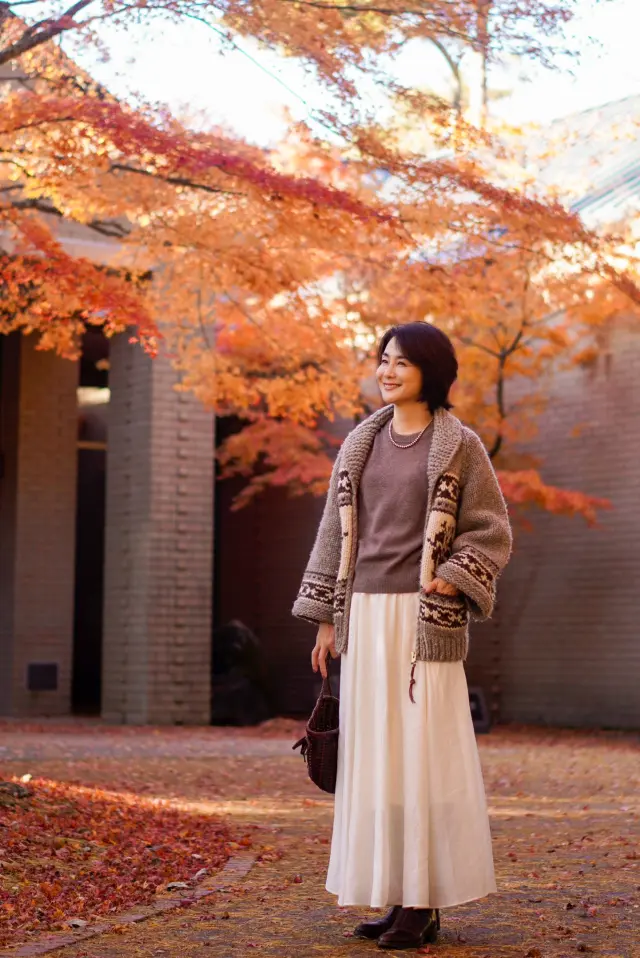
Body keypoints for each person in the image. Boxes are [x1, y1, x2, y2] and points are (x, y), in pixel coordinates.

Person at [292, 321, 512, 950]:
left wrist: (453, 575)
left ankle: (424, 901)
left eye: (402, 363)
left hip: (424, 623)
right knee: (377, 761)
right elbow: (332, 534)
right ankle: (394, 895)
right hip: (363, 615)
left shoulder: (459, 443)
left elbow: (491, 526)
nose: (386, 371)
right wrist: (328, 620)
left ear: (431, 372)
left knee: (423, 759)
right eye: (383, 360)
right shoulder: (360, 442)